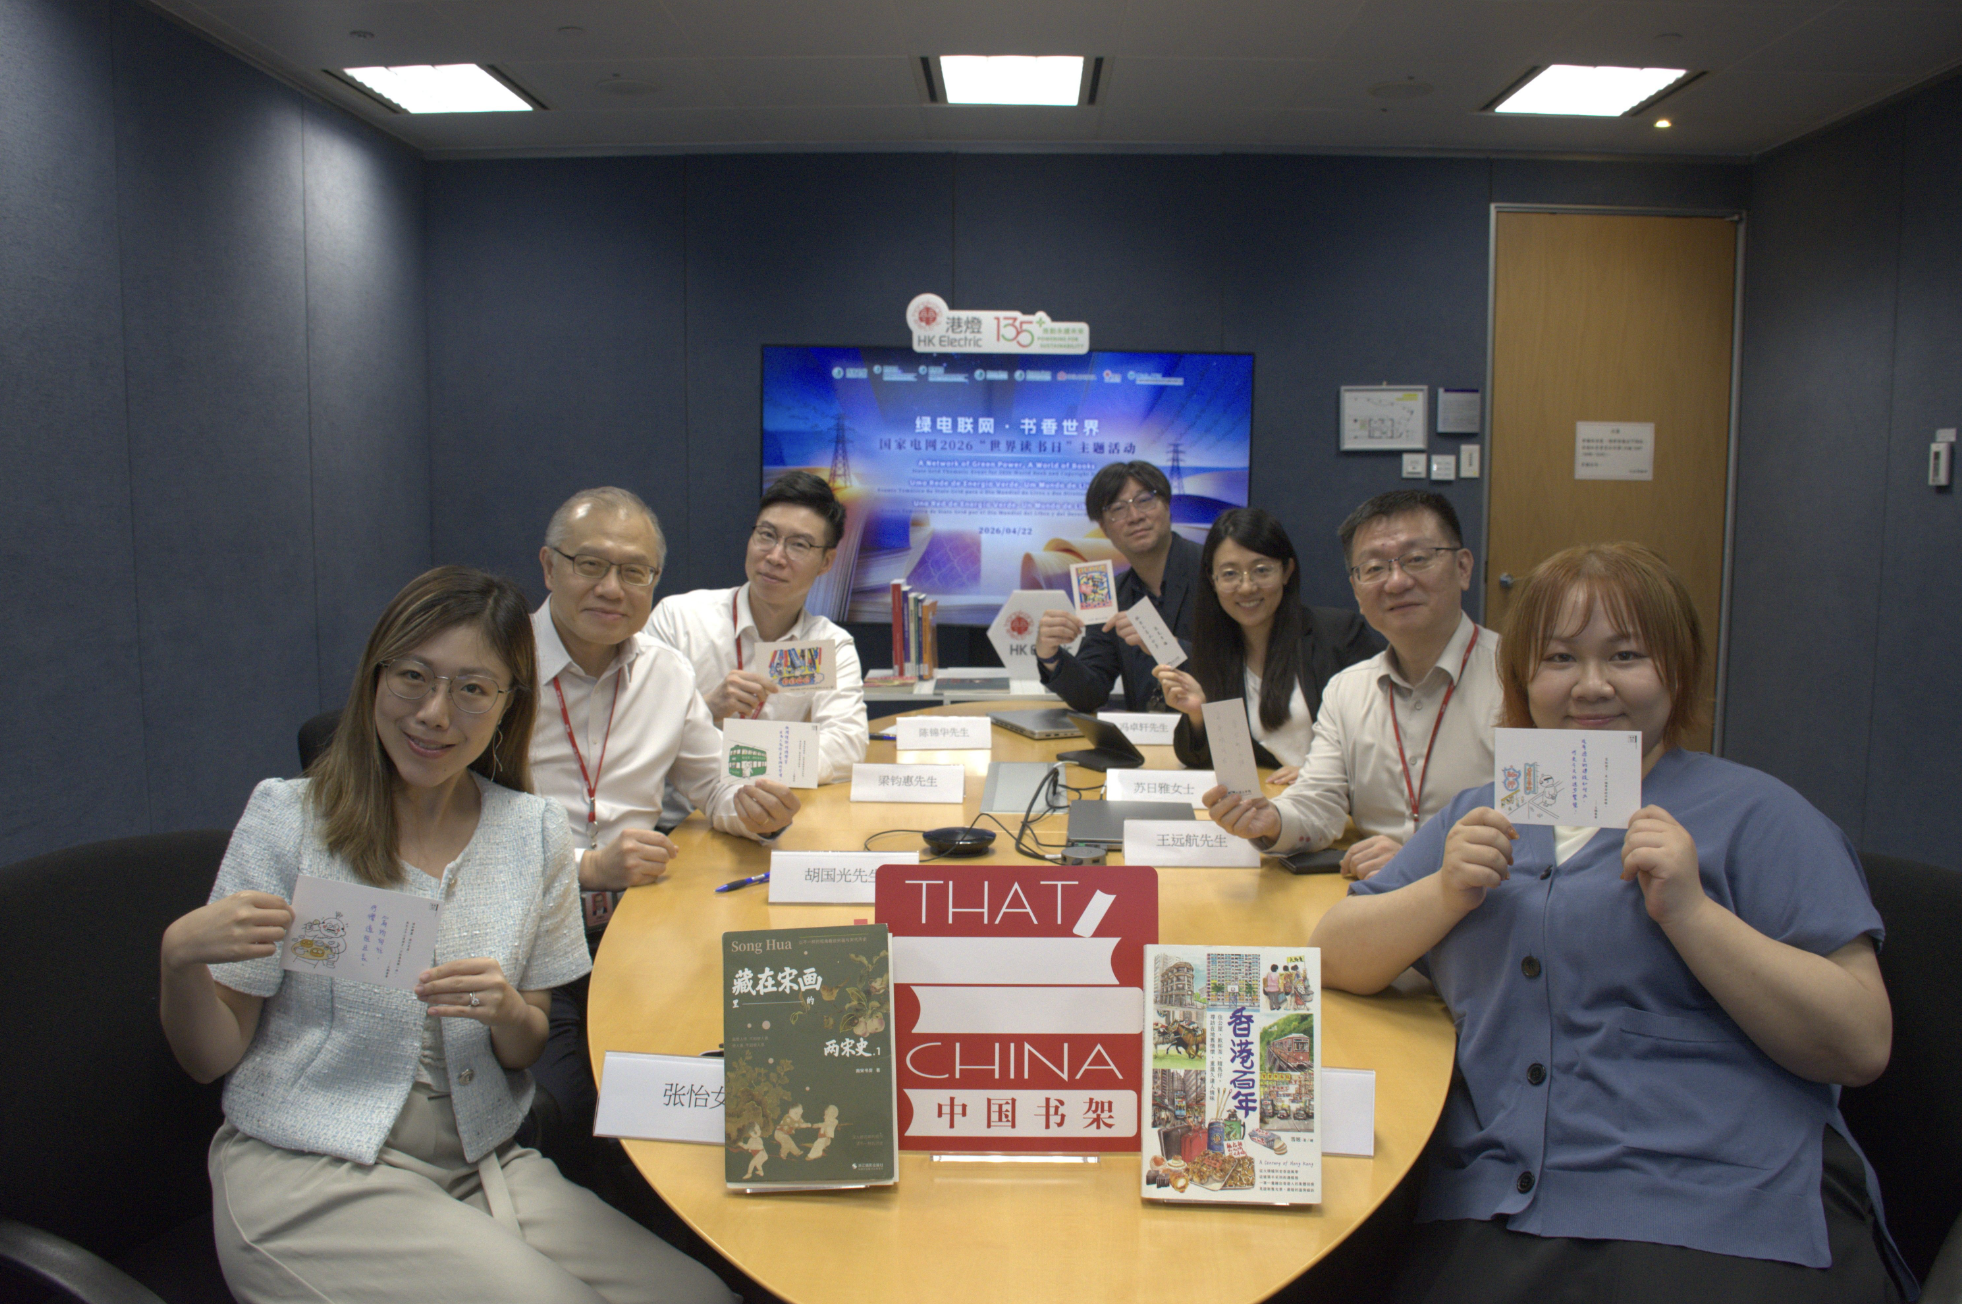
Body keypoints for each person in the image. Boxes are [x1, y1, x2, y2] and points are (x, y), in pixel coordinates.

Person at [1311, 543, 1910, 1304]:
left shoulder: (1759, 813)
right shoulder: (1486, 810)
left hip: (1723, 1207)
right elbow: (1332, 953)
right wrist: (1444, 892)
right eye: (1560, 658)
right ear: (1523, 679)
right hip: (1497, 1208)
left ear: (1676, 672)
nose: (1591, 685)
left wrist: (1693, 914)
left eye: (1626, 656)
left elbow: (1860, 1041)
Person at [157, 567, 737, 1304]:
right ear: (375, 678)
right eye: (413, 677)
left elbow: (526, 1045)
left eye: (472, 689)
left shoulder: (531, 832)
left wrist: (508, 1012)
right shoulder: (290, 819)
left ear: (507, 705)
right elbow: (210, 1059)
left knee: (698, 1295)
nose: (435, 713)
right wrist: (179, 959)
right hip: (311, 1167)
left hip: (479, 1159)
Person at [529, 486, 799, 1149]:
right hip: (528, 936)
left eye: (635, 572)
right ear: (548, 566)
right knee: (577, 1107)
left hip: (636, 930)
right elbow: (457, 827)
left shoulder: (667, 672)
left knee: (721, 1063)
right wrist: (587, 867)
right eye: (591, 564)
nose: (611, 588)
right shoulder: (494, 669)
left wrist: (755, 809)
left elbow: (713, 784)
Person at [1203, 490, 1500, 880]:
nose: (1396, 581)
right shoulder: (1347, 691)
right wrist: (1273, 821)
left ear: (1463, 567)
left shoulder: (1520, 681)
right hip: (1371, 898)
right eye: (1374, 568)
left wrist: (1423, 860)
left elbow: (1555, 835)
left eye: (1417, 559)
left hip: (1490, 903)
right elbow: (1319, 805)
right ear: (1357, 590)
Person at [650, 470, 867, 824]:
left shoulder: (829, 645)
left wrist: (745, 757)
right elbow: (637, 733)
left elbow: (846, 746)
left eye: (799, 545)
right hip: (678, 827)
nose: (775, 556)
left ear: (827, 562)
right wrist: (706, 710)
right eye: (767, 535)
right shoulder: (680, 619)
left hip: (770, 821)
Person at [1153, 508, 1379, 783]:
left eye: (1261, 570)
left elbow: (1381, 735)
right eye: (1230, 574)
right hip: (1271, 802)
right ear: (1213, 580)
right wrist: (1199, 714)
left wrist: (1322, 773)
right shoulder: (1216, 650)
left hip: (1338, 800)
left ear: (1286, 571)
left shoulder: (1337, 634)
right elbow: (1206, 760)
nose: (1246, 587)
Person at [1035, 460, 1203, 713]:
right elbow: (1090, 693)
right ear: (1104, 528)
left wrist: (1163, 644)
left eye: (1145, 500)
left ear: (1168, 506)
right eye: (1117, 509)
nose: (1135, 517)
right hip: (1146, 735)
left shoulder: (1214, 570)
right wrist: (1049, 655)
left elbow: (1244, 670)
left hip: (1215, 730)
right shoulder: (1104, 590)